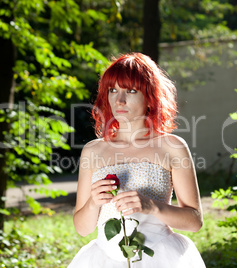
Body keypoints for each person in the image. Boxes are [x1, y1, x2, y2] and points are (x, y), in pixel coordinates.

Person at [68, 53, 205, 267]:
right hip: (104, 259)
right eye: (113, 90)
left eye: (130, 91)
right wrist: (94, 202)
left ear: (150, 96)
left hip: (160, 257)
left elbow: (194, 221)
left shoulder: (172, 146)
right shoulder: (93, 151)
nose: (119, 100)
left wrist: (152, 207)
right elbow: (82, 228)